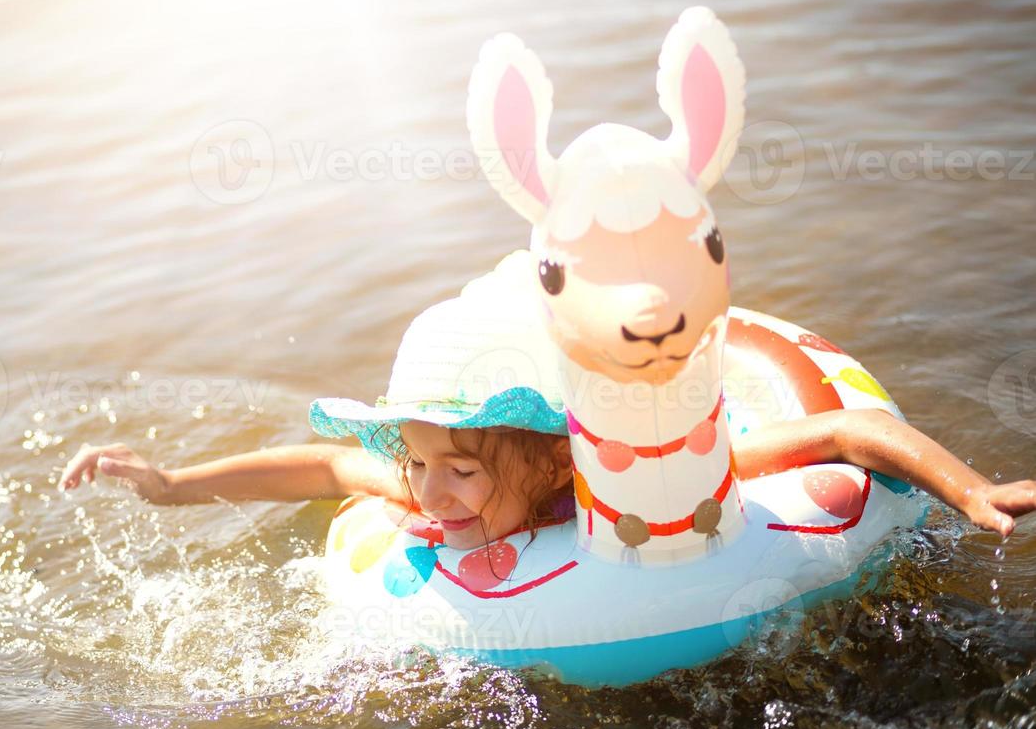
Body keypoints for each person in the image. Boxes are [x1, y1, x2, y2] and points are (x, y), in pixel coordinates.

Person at [58, 294, 1036, 551]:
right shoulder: (418, 482)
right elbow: (319, 467)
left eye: (465, 471)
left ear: (544, 459)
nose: (430, 492)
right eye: (421, 459)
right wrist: (171, 483)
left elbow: (833, 439)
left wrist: (970, 487)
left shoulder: (638, 480)